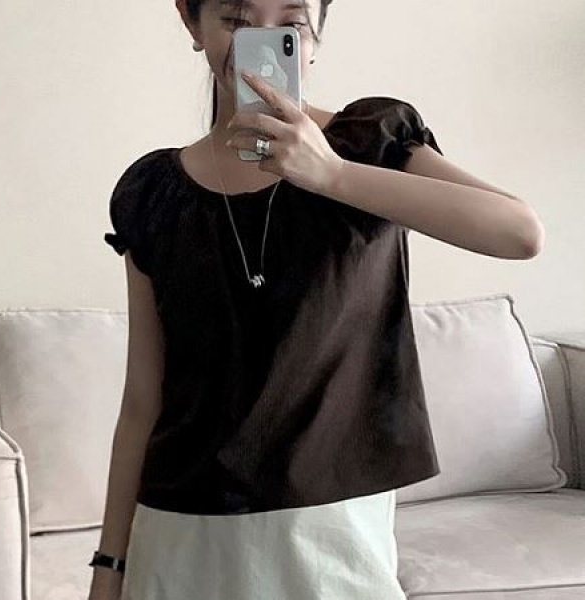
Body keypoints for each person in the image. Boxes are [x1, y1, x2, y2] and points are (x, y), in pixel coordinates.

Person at [89, 1, 545, 599]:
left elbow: (520, 233)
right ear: (191, 23)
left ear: (317, 37)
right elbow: (141, 402)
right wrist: (109, 567)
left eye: (291, 24)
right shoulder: (154, 194)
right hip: (178, 531)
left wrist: (332, 175)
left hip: (331, 532)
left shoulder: (371, 141)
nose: (260, 43)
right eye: (236, 19)